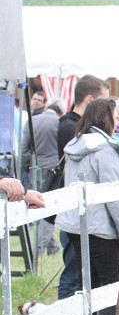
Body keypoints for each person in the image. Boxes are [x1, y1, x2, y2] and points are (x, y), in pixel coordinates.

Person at [56, 98, 119, 315]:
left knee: (85, 281)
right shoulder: (105, 149)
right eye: (115, 118)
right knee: (110, 280)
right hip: (100, 226)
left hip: (75, 224)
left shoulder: (74, 145)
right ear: (105, 118)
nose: (117, 122)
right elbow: (114, 195)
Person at [56, 75, 111, 315]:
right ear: (91, 100)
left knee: (80, 275)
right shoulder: (72, 130)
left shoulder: (71, 130)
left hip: (77, 218)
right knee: (74, 276)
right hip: (82, 218)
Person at [20, 97, 63, 253]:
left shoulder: (32, 120)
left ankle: (51, 246)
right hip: (54, 169)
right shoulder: (59, 122)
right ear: (60, 110)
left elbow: (24, 149)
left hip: (35, 168)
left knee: (36, 206)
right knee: (47, 207)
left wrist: (25, 168)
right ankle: (39, 247)